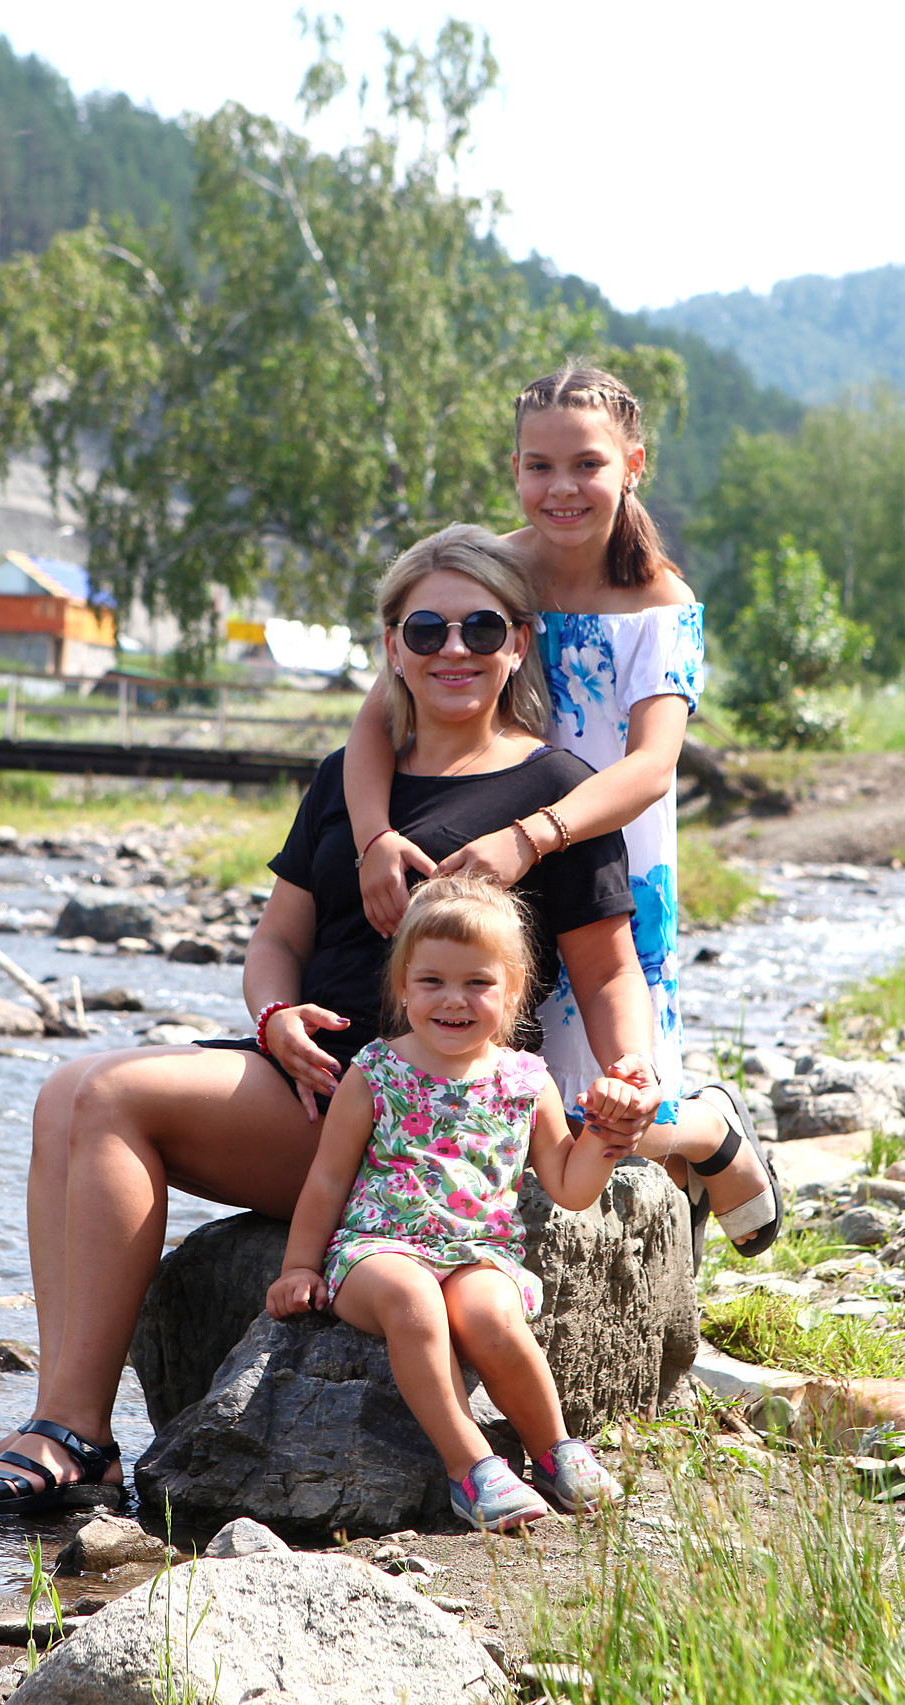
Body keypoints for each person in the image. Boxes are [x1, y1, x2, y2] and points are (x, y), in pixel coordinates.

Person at [0, 523, 662, 1514]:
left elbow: (609, 974)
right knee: (71, 1089)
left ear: (517, 641)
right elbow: (274, 945)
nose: (454, 651)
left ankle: (71, 1436)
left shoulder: (556, 793)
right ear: (391, 646)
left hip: (425, 1118)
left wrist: (633, 1077)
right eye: (425, 630)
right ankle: (63, 1425)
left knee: (111, 1094)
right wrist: (270, 1020)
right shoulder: (354, 782)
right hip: (307, 1077)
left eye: (482, 627)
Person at [340, 363, 783, 1266]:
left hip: (599, 845)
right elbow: (374, 722)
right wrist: (372, 837)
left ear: (633, 464)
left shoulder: (662, 603)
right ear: (514, 470)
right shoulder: (490, 575)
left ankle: (705, 1132)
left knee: (595, 1107)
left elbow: (654, 765)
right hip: (497, 827)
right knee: (505, 1093)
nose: (562, 488)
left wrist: (531, 835)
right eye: (538, 467)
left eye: (586, 464)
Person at [265, 874, 626, 1532]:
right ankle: (472, 1466)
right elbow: (326, 1178)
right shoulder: (377, 1070)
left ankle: (554, 1449)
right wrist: (298, 1267)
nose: (453, 1000)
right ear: (402, 986)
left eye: (478, 983)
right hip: (377, 1250)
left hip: (478, 1251)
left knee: (491, 1311)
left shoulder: (526, 1079)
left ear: (512, 989)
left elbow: (571, 1186)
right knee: (414, 1300)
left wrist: (603, 1134)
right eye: (431, 981)